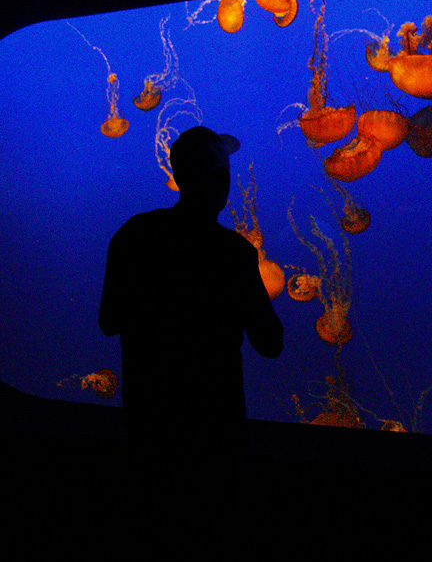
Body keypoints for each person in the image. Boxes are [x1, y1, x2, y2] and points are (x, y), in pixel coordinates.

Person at [99, 125, 284, 555]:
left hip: (148, 429)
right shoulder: (234, 254)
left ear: (178, 177)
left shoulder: (133, 235)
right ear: (223, 184)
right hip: (215, 438)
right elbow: (271, 343)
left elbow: (108, 321)